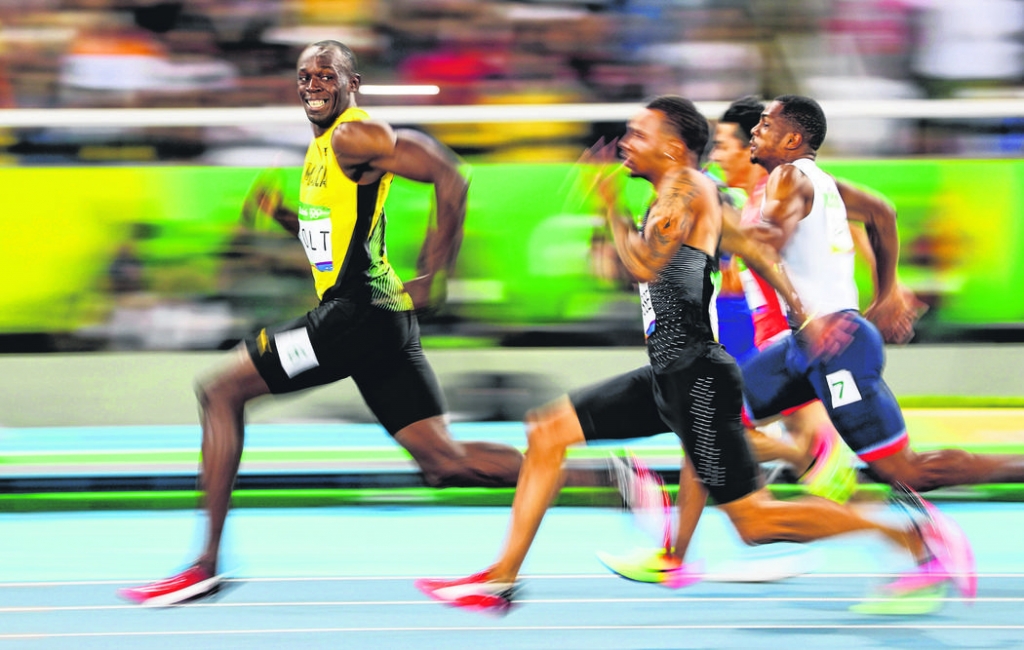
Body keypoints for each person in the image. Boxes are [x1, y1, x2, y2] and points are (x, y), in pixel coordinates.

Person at [415, 95, 963, 615]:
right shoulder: (683, 198)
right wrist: (803, 314)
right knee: (547, 432)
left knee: (755, 523)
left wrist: (607, 207)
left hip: (697, 377)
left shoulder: (688, 189)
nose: (624, 142)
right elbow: (754, 252)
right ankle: (501, 578)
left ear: (673, 147)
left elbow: (642, 265)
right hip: (668, 372)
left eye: (637, 134)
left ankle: (904, 535)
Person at [117, 40, 525, 607]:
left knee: (219, 392)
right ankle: (596, 474)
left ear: (352, 81)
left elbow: (451, 176)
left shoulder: (355, 134)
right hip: (379, 320)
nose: (313, 83)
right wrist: (288, 217)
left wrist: (436, 274)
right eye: (305, 75)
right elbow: (336, 241)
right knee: (442, 463)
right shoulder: (321, 151)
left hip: (355, 316)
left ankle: (204, 565)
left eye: (326, 74)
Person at [740, 94, 1024, 494]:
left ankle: (1016, 467)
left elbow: (769, 240)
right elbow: (882, 212)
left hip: (836, 346)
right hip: (804, 347)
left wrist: (716, 229)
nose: (754, 129)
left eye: (766, 124)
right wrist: (886, 293)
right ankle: (785, 484)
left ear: (792, 140)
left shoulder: (787, 179)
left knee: (907, 473)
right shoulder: (821, 182)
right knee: (718, 414)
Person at [711, 96, 859, 501]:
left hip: (793, 340)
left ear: (749, 149)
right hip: (778, 338)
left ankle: (911, 532)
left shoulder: (778, 190)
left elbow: (851, 221)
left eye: (724, 145)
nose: (717, 156)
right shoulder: (751, 203)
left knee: (822, 462)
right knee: (828, 474)